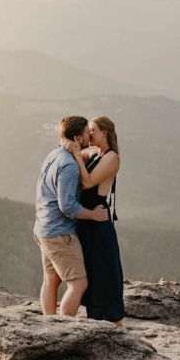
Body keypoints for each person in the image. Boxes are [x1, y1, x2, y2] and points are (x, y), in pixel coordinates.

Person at [34, 116, 109, 317]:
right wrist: (93, 214)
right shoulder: (69, 167)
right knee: (78, 283)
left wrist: (92, 151)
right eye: (87, 133)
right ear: (77, 138)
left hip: (43, 228)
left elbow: (82, 155)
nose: (90, 136)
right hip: (60, 233)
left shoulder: (55, 155)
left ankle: (48, 325)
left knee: (51, 279)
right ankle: (62, 334)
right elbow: (67, 206)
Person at [62, 116, 125, 326]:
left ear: (104, 132)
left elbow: (87, 182)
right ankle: (96, 325)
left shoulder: (112, 158)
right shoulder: (95, 154)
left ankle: (117, 330)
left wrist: (77, 154)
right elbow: (78, 156)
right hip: (86, 222)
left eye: (92, 130)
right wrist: (71, 146)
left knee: (104, 277)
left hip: (98, 223)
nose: (89, 134)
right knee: (92, 277)